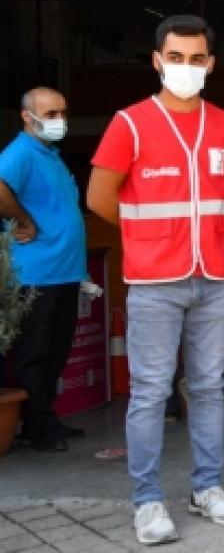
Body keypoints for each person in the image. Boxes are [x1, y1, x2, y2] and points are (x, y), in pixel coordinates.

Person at [86, 15, 224, 545]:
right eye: (175, 57)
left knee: (208, 388)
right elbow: (99, 198)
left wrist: (214, 233)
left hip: (214, 279)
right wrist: (150, 234)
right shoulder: (130, 123)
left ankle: (207, 488)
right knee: (150, 393)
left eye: (196, 58)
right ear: (157, 60)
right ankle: (147, 501)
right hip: (155, 282)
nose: (186, 66)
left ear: (211, 63)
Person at [0, 87, 87, 452]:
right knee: (34, 354)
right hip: (34, 274)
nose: (59, 121)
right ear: (27, 116)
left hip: (63, 272)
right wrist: (24, 220)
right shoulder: (20, 153)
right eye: (50, 114)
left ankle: (45, 418)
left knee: (55, 352)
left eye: (62, 113)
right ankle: (37, 428)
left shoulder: (50, 154)